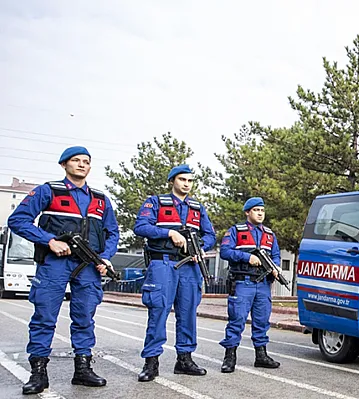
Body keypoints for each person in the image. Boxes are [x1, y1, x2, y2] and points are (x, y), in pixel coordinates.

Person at [7, 146, 119, 395]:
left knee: (84, 318)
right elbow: (17, 220)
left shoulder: (100, 199)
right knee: (45, 317)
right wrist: (49, 240)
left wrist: (106, 257)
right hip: (54, 264)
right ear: (63, 165)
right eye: (76, 160)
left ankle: (82, 369)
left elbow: (113, 232)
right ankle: (38, 372)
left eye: (86, 161)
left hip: (89, 266)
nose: (82, 165)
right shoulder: (48, 191)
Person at [133, 164, 216, 382]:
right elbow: (140, 226)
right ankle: (151, 362)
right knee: (158, 311)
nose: (186, 184)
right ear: (173, 181)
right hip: (164, 264)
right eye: (182, 180)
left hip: (190, 265)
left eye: (190, 180)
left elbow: (210, 235)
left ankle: (185, 360)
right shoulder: (156, 202)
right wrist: (168, 232)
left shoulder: (197, 208)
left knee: (188, 312)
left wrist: (201, 249)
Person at [219, 196, 281, 372]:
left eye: (262, 210)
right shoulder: (235, 231)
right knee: (237, 319)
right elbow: (225, 251)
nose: (260, 213)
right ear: (248, 212)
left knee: (262, 320)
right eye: (256, 210)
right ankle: (230, 357)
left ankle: (261, 355)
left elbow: (275, 255)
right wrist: (247, 257)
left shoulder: (269, 235)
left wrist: (275, 267)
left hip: (263, 284)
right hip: (242, 282)